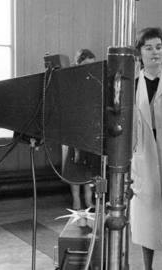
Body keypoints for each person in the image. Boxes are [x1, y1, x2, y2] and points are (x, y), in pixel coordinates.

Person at [130, 27, 162, 270]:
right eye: (148, 47)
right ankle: (147, 267)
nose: (155, 52)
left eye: (158, 47)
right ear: (140, 53)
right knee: (146, 221)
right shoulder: (133, 83)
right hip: (143, 158)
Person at [64, 49, 96, 211]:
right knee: (75, 168)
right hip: (75, 131)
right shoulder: (73, 83)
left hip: (89, 130)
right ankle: (76, 200)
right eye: (85, 65)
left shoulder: (94, 82)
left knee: (88, 169)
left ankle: (88, 199)